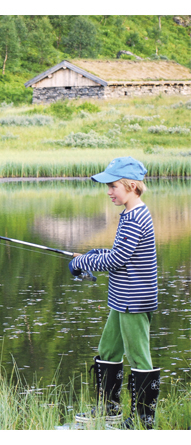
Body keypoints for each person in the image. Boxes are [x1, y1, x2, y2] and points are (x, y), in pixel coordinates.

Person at [69, 156, 160, 429]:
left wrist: (81, 262)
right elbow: (120, 254)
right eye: (107, 186)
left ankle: (143, 421)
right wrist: (94, 254)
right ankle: (109, 409)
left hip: (134, 300)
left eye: (113, 186)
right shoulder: (130, 214)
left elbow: (118, 259)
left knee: (139, 357)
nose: (108, 191)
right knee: (108, 350)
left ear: (131, 186)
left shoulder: (136, 216)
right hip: (122, 299)